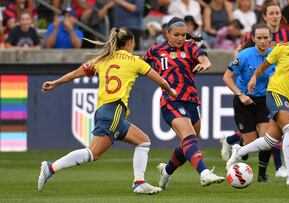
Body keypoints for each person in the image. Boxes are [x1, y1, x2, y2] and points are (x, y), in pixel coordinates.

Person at [37, 27, 177, 194]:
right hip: (115, 110)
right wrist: (171, 91)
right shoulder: (135, 62)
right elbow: (160, 81)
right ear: (130, 42)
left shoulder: (103, 59)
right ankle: (50, 167)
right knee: (93, 153)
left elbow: (76, 72)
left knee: (143, 141)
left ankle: (139, 182)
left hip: (104, 111)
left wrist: (56, 82)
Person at [226, 17, 289, 186]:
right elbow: (263, 66)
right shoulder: (281, 48)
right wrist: (254, 78)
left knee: (269, 141)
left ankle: (239, 150)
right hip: (275, 93)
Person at [143, 17, 225, 189]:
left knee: (188, 143)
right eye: (176, 35)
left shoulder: (190, 47)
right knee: (188, 136)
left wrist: (206, 64)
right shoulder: (155, 51)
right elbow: (139, 65)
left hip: (191, 100)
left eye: (183, 35)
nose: (180, 38)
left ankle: (166, 172)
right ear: (167, 33)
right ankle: (204, 173)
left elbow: (204, 59)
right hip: (171, 100)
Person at [231, 2, 289, 178]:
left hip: (267, 97)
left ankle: (268, 173)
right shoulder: (249, 48)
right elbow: (237, 58)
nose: (274, 16)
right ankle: (236, 143)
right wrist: (244, 77)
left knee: (268, 137)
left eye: (277, 12)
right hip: (246, 97)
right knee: (254, 140)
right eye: (271, 13)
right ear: (264, 16)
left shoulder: (286, 36)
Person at [222, 23, 275, 182]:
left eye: (266, 37)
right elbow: (226, 77)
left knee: (267, 140)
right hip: (244, 101)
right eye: (259, 38)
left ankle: (262, 176)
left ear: (271, 38)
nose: (263, 41)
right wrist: (240, 95)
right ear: (253, 39)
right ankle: (235, 144)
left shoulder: (275, 55)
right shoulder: (244, 55)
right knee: (250, 144)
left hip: (264, 101)